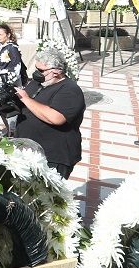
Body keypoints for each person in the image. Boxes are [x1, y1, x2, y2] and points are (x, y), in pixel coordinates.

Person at [13, 50, 86, 179]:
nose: (36, 73)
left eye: (41, 70)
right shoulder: (39, 82)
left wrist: (26, 99)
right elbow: (27, 105)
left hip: (53, 156)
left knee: (46, 196)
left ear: (56, 71)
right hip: (29, 150)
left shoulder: (69, 90)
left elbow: (56, 118)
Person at [0, 24, 24, 134]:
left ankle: (12, 129)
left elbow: (17, 66)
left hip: (11, 80)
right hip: (0, 79)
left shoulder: (12, 47)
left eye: (0, 34)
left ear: (8, 35)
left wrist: (9, 83)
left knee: (10, 104)